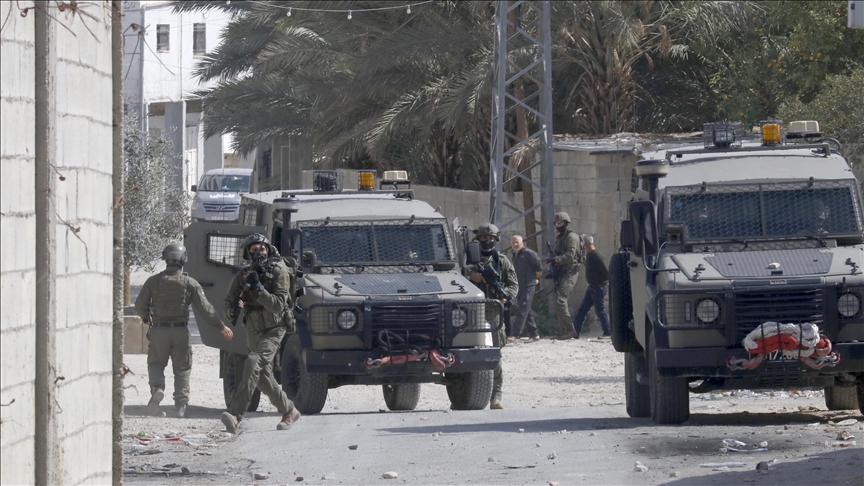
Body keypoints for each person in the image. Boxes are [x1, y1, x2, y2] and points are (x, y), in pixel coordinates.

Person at [134, 243, 234, 418]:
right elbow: (206, 309)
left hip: (159, 331)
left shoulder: (153, 281)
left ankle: (157, 388)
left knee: (156, 364)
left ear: (165, 258)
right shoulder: (190, 283)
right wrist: (221, 327)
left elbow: (139, 305)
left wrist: (145, 316)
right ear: (183, 259)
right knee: (182, 368)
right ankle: (180, 405)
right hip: (180, 331)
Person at [220, 233, 300, 434]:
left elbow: (278, 305)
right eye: (254, 250)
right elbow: (228, 303)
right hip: (254, 329)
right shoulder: (243, 275)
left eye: (262, 249)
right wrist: (233, 311)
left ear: (268, 249)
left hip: (275, 328)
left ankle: (236, 414)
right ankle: (289, 410)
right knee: (262, 375)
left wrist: (259, 289)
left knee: (253, 362)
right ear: (248, 253)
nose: (259, 253)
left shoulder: (279, 270)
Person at [467, 223, 518, 410]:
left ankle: (496, 396)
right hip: (470, 311)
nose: (487, 241)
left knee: (495, 353)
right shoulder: (467, 260)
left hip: (493, 311)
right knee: (467, 352)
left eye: (491, 239)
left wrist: (504, 296)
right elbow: (453, 277)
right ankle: (464, 395)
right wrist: (470, 275)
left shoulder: (502, 261)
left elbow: (514, 285)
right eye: (483, 238)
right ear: (477, 239)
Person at [547, 211, 584, 340]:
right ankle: (563, 330)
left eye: (561, 223)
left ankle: (570, 330)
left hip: (570, 271)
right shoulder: (560, 237)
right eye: (557, 223)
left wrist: (556, 260)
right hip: (562, 271)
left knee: (560, 300)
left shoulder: (572, 237)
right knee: (557, 300)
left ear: (566, 223)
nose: (558, 225)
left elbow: (570, 255)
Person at [571, 234, 611, 339]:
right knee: (582, 310)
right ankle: (575, 332)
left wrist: (608, 282)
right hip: (592, 288)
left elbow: (605, 271)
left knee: (600, 311)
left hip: (598, 288)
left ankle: (608, 332)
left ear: (585, 243)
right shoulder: (588, 255)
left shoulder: (596, 255)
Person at [509, 235, 542, 343]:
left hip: (529, 285)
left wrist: (535, 279)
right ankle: (534, 334)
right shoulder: (515, 255)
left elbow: (538, 268)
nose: (515, 244)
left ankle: (515, 334)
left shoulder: (529, 253)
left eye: (517, 242)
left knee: (523, 308)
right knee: (526, 309)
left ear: (522, 242)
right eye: (513, 242)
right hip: (520, 285)